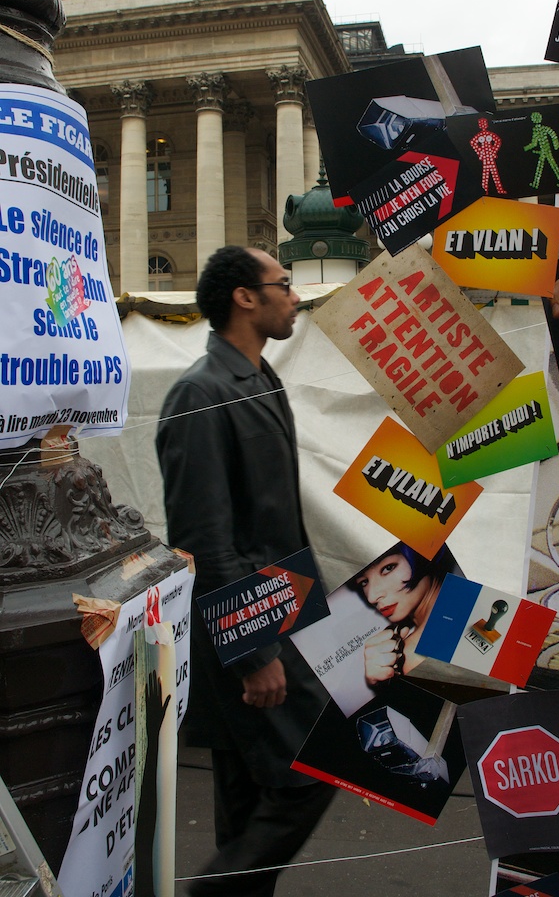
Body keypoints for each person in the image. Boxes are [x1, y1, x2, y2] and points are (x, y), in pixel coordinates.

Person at [156, 246, 333, 897]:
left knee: (244, 793)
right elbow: (204, 539)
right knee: (311, 770)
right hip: (249, 632)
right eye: (282, 284)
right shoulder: (197, 394)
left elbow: (275, 521)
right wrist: (254, 652)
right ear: (245, 298)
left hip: (286, 615)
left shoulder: (264, 380)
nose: (293, 295)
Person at [349, 543, 454, 687]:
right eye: (364, 582)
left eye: (388, 568)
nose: (372, 597)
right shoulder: (461, 601)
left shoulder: (415, 652)